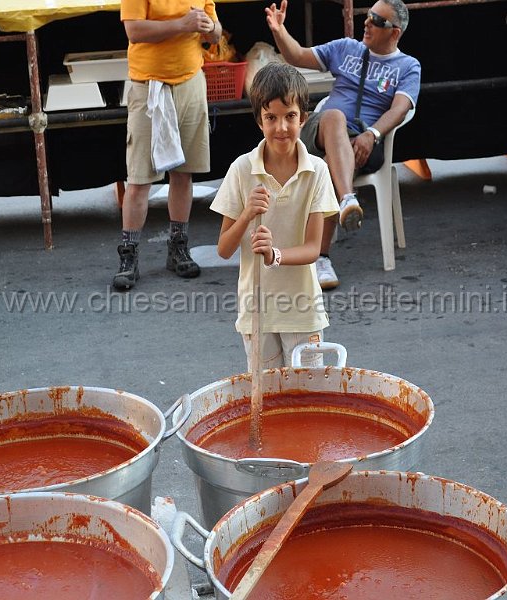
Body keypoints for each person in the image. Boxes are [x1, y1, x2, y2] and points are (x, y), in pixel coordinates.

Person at [265, 0, 420, 289]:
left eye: (377, 20)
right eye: (368, 16)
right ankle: (347, 199)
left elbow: (399, 110)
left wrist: (371, 134)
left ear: (395, 33)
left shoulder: (408, 66)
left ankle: (320, 258)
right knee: (334, 115)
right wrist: (279, 30)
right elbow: (296, 55)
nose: (367, 22)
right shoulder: (346, 48)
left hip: (364, 145)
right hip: (318, 132)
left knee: (324, 168)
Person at [211, 62, 340, 370]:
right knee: (266, 399)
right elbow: (224, 248)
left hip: (303, 309)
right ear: (259, 121)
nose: (281, 127)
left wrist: (274, 254)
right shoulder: (242, 169)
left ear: (303, 118)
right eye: (271, 118)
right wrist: (246, 214)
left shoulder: (317, 171)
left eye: (290, 116)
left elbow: (313, 248)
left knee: (306, 397)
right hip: (257, 312)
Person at [114, 1, 222, 290]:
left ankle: (178, 248)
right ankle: (129, 256)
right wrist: (182, 25)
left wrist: (211, 29)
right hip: (149, 84)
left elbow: (216, 29)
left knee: (184, 173)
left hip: (191, 82)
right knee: (139, 179)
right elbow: (134, 31)